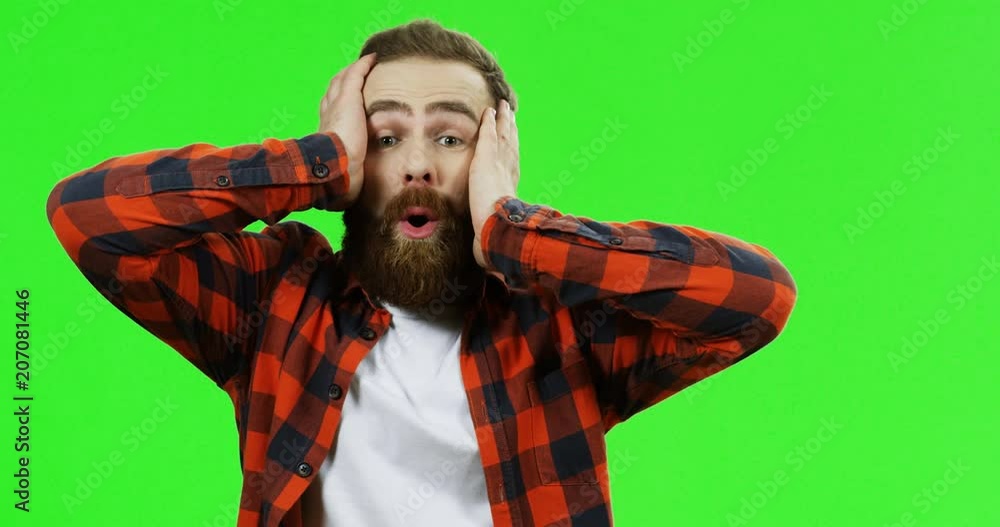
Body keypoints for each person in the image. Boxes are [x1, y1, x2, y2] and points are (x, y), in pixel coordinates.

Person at [46, 18, 797, 527]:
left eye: (449, 135)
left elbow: (755, 297)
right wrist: (312, 165)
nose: (415, 164)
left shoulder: (564, 324)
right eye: (384, 136)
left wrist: (513, 228)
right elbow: (90, 218)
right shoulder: (274, 296)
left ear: (494, 159)